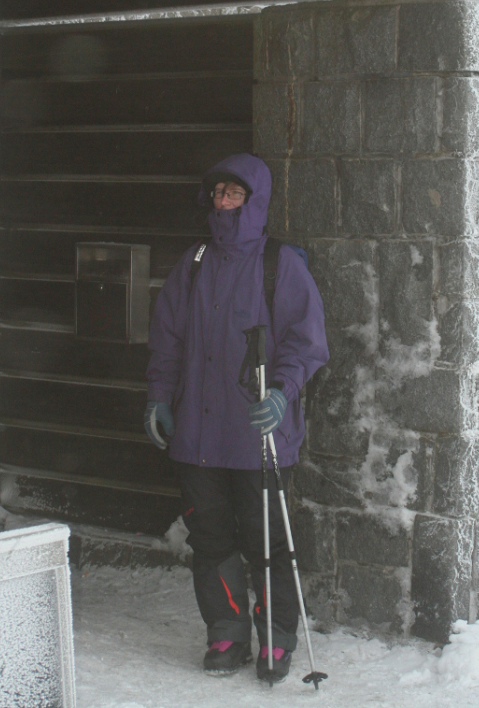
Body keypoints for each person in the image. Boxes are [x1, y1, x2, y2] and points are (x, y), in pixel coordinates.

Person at [144, 153, 328, 682]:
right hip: (199, 432)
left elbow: (307, 342)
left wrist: (283, 393)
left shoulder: (280, 264)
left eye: (236, 194)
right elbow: (167, 339)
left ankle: (276, 638)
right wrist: (158, 397)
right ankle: (226, 631)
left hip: (259, 433)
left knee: (268, 540)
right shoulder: (195, 262)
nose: (225, 202)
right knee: (212, 537)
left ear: (256, 200)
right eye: (220, 193)